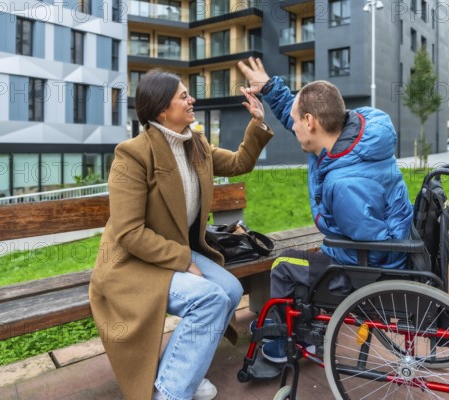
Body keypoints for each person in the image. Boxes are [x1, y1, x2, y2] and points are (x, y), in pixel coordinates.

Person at [88, 69, 273, 400]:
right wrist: (184, 259)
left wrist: (258, 123)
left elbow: (238, 163)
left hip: (172, 253)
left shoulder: (195, 145)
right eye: (184, 96)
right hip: (133, 262)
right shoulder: (132, 154)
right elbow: (129, 233)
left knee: (229, 289)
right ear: (162, 109)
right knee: (210, 298)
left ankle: (183, 370)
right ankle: (170, 392)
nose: (193, 100)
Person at [238, 57, 413, 363]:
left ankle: (287, 341)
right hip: (381, 247)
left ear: (310, 123)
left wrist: (330, 251)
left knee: (284, 264)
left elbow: (372, 247)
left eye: (296, 121)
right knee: (307, 259)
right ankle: (290, 326)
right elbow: (301, 110)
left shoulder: (343, 182)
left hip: (368, 272)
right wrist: (269, 88)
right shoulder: (353, 137)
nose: (292, 126)